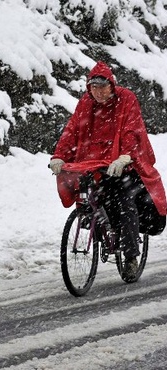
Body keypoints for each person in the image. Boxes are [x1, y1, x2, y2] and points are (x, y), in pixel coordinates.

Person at [50, 61, 167, 280]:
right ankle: (94, 222)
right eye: (94, 87)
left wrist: (125, 156)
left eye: (102, 87)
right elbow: (72, 129)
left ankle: (131, 256)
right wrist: (59, 155)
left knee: (125, 203)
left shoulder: (126, 99)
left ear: (111, 85)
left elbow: (132, 129)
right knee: (88, 196)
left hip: (124, 162)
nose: (99, 92)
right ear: (89, 88)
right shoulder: (86, 103)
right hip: (93, 163)